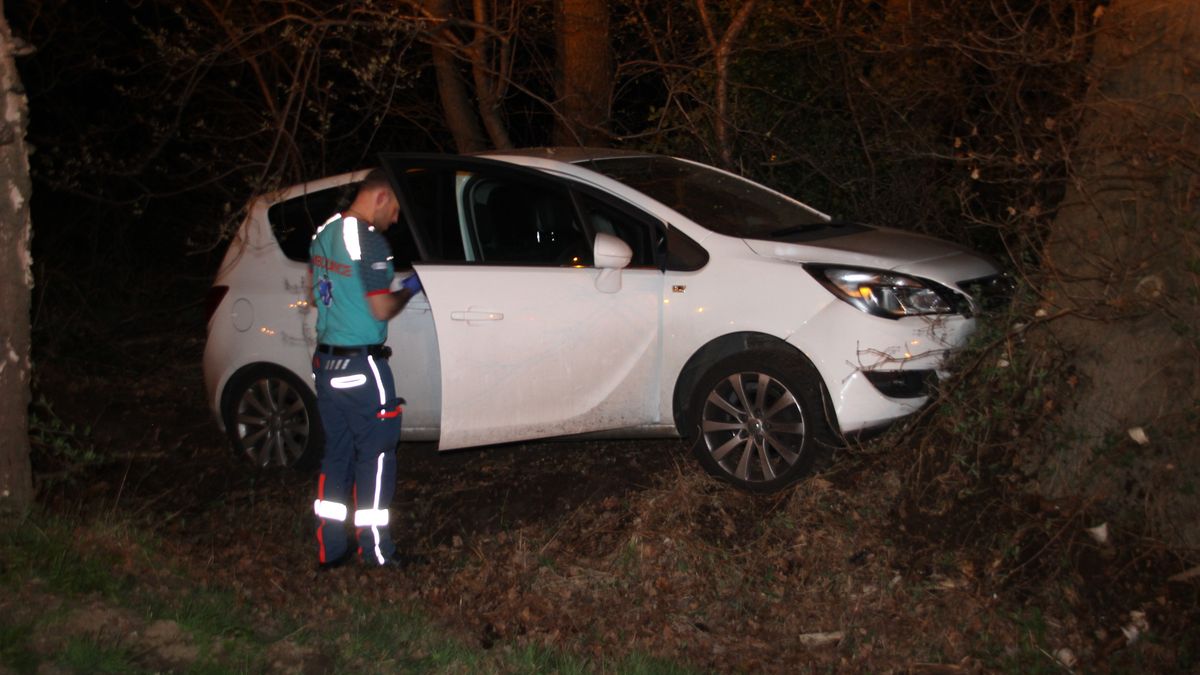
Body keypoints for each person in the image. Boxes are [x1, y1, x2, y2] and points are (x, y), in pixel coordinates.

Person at [308, 168, 422, 571]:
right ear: (381, 196)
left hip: (326, 364)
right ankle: (376, 552)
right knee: (375, 457)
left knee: (336, 455)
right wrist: (410, 288)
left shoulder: (324, 233)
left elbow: (315, 294)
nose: (395, 219)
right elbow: (380, 307)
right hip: (362, 365)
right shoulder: (371, 242)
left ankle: (330, 548)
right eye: (395, 209)